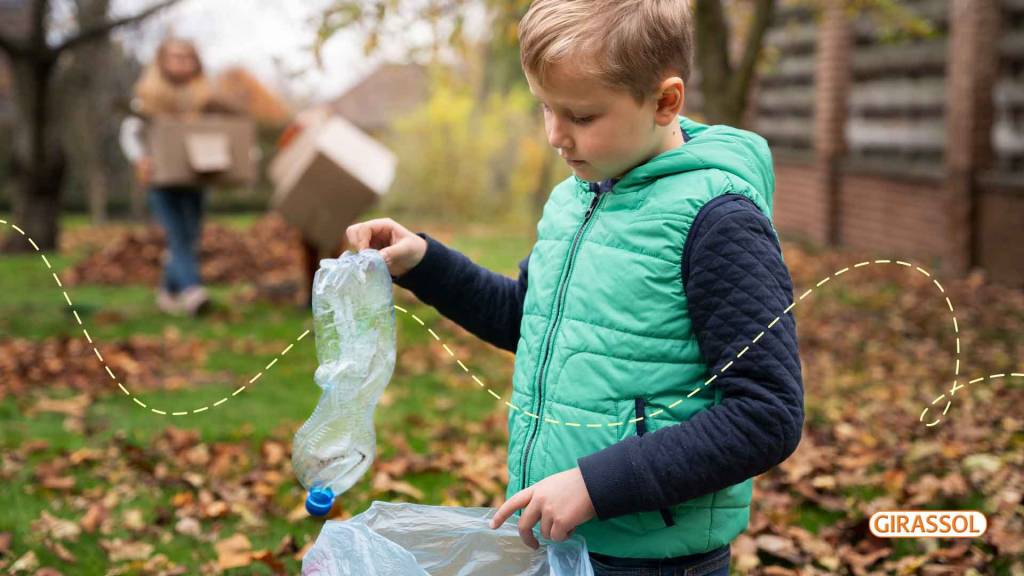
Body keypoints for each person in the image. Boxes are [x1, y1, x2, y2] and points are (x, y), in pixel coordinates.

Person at [346, 1, 804, 573]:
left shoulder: (719, 220)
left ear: (665, 102)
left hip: (650, 560)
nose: (557, 136)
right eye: (546, 108)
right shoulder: (575, 197)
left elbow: (767, 413)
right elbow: (525, 316)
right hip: (562, 541)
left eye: (582, 117)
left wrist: (595, 485)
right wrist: (424, 261)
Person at [119, 36, 213, 316]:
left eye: (188, 57)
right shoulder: (147, 98)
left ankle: (167, 291)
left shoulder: (204, 98)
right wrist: (140, 159)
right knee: (177, 234)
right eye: (175, 56)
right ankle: (193, 291)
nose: (182, 62)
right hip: (161, 179)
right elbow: (129, 133)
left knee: (191, 235)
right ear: (162, 61)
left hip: (196, 178)